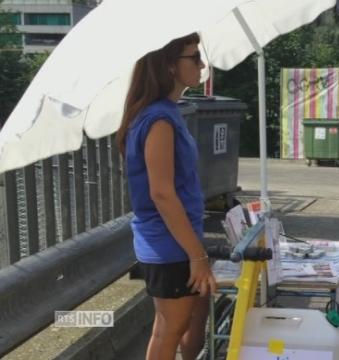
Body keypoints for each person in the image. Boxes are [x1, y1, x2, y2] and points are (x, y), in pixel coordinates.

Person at [116, 33, 215, 360]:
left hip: (174, 243)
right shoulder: (158, 118)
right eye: (194, 57)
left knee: (179, 325)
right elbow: (161, 193)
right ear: (170, 66)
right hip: (169, 244)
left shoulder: (163, 112)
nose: (202, 64)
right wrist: (197, 256)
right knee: (169, 329)